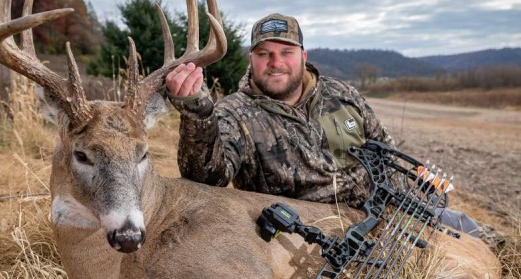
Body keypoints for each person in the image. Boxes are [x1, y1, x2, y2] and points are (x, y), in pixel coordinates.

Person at [165, 13, 488, 240]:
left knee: (471, 232)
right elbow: (205, 179)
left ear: (303, 56)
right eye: (264, 54)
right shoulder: (235, 113)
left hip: (384, 213)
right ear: (252, 60)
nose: (275, 63)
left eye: (286, 52)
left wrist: (417, 196)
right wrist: (197, 112)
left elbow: (384, 152)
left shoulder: (341, 94)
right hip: (312, 236)